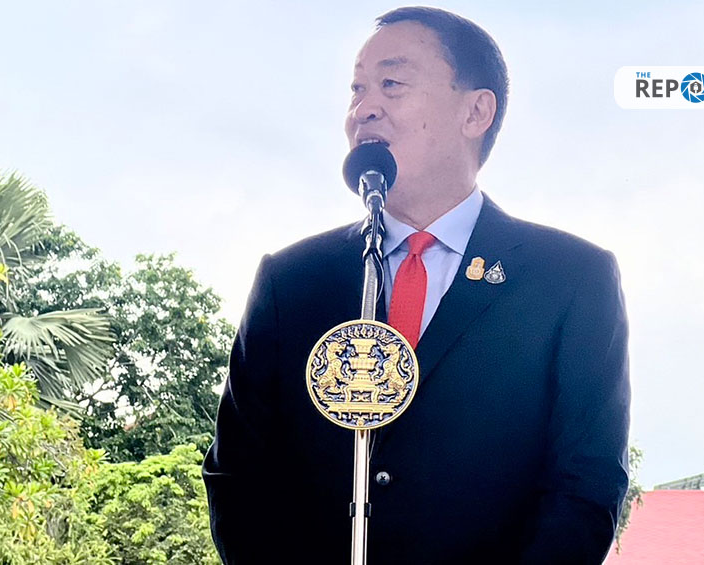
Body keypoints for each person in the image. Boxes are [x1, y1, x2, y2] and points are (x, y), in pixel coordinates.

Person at [203, 6, 630, 564]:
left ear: (476, 111)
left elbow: (585, 486)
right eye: (357, 89)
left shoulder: (570, 279)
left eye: (392, 84)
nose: (364, 108)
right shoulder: (292, 281)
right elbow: (239, 476)